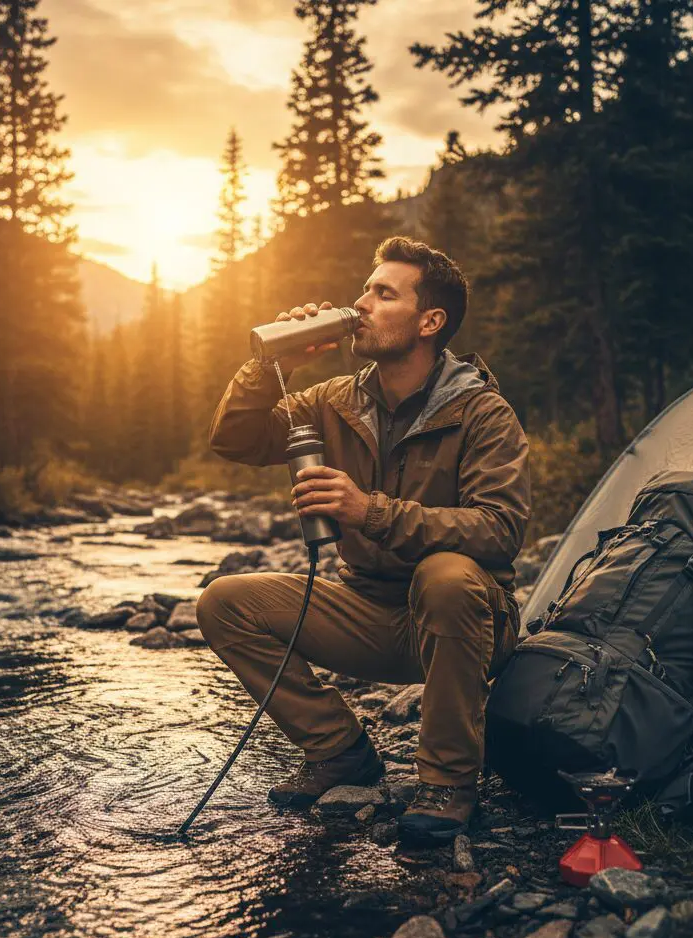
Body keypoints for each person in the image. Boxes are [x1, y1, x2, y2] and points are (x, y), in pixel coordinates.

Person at [196, 236, 531, 845]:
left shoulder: (484, 414)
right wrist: (273, 365)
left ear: (429, 321)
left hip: (465, 624)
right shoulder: (333, 400)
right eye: (365, 289)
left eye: (383, 293)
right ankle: (340, 750)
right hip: (369, 613)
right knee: (224, 601)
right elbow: (237, 442)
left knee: (446, 574)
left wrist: (369, 511)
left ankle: (448, 782)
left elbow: (500, 529)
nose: (361, 302)